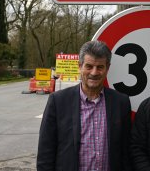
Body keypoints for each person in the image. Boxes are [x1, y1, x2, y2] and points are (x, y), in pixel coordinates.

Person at [37, 40, 132, 171]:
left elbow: (126, 151)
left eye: (100, 67)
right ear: (80, 66)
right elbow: (45, 153)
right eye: (89, 66)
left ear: (107, 68)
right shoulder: (58, 101)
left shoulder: (121, 102)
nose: (94, 72)